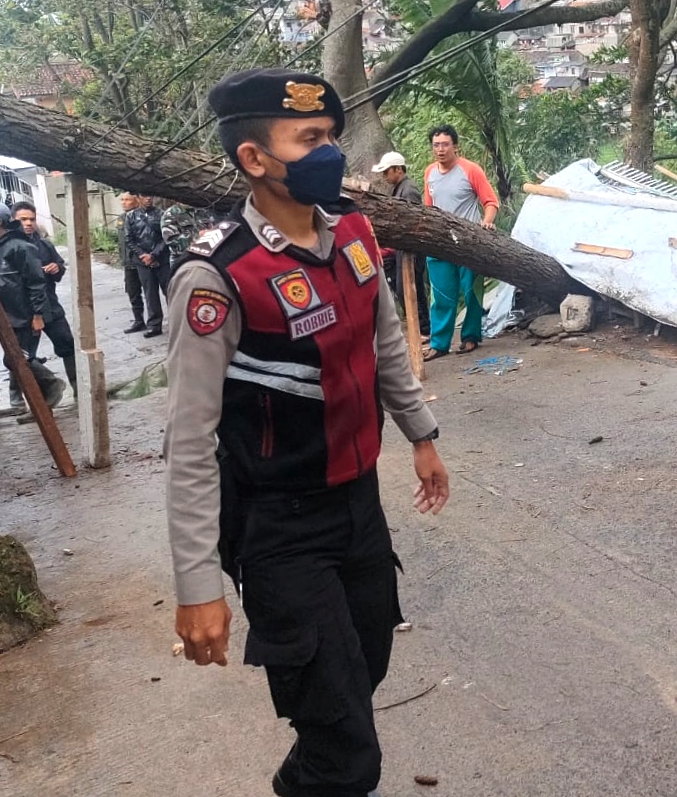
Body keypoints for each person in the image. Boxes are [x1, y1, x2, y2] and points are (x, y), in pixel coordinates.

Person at [166, 68, 449, 797]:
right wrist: (198, 584)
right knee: (346, 747)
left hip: (358, 509)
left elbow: (384, 340)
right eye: (311, 140)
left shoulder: (352, 229)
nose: (331, 155)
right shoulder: (217, 275)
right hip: (278, 528)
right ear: (254, 159)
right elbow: (191, 439)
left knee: (360, 677)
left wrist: (420, 432)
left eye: (333, 137)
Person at [0, 201, 66, 409]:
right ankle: (39, 402)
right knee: (16, 361)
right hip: (4, 315)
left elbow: (36, 283)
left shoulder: (21, 247)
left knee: (17, 359)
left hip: (24, 315)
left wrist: (38, 315)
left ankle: (51, 385)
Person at [421, 124, 499, 359]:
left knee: (471, 292)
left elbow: (491, 202)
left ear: (455, 146)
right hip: (440, 242)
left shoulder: (470, 170)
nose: (441, 149)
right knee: (441, 295)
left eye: (445, 144)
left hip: (468, 241)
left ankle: (470, 337)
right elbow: (429, 207)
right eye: (436, 145)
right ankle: (439, 344)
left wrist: (486, 222)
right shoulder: (430, 173)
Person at [11, 201, 78, 392]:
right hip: (24, 311)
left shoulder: (44, 245)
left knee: (67, 343)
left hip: (50, 306)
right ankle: (23, 397)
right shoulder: (9, 248)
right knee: (21, 355)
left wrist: (56, 268)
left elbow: (59, 267)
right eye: (23, 219)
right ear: (13, 220)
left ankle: (78, 389)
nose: (28, 223)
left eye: (31, 219)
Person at [372, 150, 430, 341]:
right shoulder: (400, 189)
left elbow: (411, 221)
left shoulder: (408, 190)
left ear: (398, 169)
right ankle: (422, 329)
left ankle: (424, 330)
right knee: (406, 289)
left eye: (387, 171)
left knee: (412, 289)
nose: (384, 176)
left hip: (411, 249)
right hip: (404, 249)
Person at [126, 194, 170, 338]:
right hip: (142, 262)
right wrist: (142, 255)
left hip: (161, 260)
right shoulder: (131, 216)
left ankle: (177, 321)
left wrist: (154, 255)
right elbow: (129, 239)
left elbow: (166, 237)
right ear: (138, 198)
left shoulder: (161, 214)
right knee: (150, 294)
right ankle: (154, 325)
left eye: (150, 196)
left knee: (170, 291)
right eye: (144, 196)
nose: (148, 199)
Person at [118, 193, 150, 334]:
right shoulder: (121, 218)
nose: (124, 203)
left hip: (141, 260)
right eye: (122, 200)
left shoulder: (141, 216)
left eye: (127, 200)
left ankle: (155, 320)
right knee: (132, 292)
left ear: (136, 201)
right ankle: (139, 320)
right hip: (128, 262)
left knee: (150, 292)